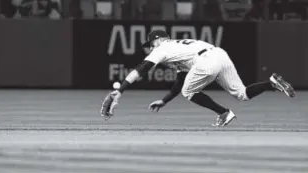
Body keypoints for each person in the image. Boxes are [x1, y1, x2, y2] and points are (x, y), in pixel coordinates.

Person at [100, 30, 295, 127]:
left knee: (189, 91)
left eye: (151, 44)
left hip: (206, 60)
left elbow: (143, 68)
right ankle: (271, 83)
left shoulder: (163, 47)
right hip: (219, 54)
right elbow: (180, 81)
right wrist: (165, 100)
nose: (151, 48)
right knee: (242, 94)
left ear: (158, 40)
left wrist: (120, 90)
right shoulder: (179, 48)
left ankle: (224, 113)